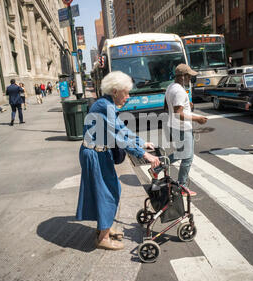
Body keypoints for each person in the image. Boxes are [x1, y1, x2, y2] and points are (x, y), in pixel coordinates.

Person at [76, 71, 160, 251]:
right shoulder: (104, 106)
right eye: (126, 92)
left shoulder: (107, 105)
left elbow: (122, 130)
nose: (128, 97)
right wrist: (144, 154)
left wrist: (141, 142)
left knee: (106, 191)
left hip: (99, 153)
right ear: (115, 91)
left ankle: (103, 228)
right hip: (95, 154)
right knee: (108, 192)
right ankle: (103, 238)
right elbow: (120, 137)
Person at [149, 64, 207, 197]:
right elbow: (177, 113)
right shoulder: (179, 91)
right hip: (182, 127)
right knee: (187, 157)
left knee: (181, 153)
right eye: (189, 76)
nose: (190, 79)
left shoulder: (171, 87)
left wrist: (187, 106)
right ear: (183, 76)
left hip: (174, 126)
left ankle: (157, 169)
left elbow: (166, 106)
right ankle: (182, 186)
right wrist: (196, 118)